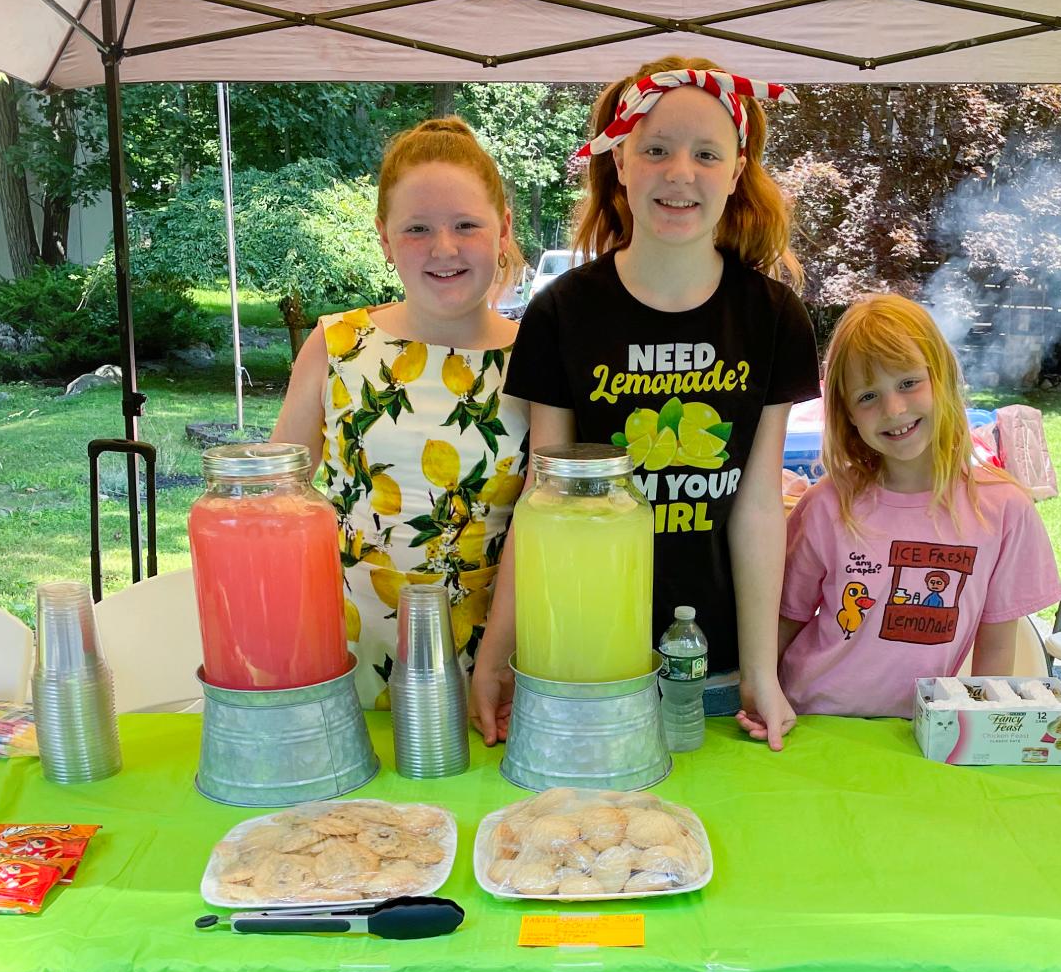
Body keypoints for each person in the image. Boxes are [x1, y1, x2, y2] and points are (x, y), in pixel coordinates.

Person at [471, 57, 820, 751]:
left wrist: (760, 668)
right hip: (585, 664)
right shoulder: (561, 313)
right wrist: (497, 652)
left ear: (736, 168)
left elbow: (757, 507)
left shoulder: (775, 317)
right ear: (619, 164)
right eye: (654, 149)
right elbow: (541, 503)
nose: (678, 172)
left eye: (705, 153)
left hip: (714, 671)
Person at [273, 117, 527, 705]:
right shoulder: (335, 344)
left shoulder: (538, 359)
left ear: (503, 229)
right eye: (418, 229)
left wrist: (503, 663)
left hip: (491, 674)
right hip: (342, 662)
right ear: (385, 239)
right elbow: (276, 506)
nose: (444, 248)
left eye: (466, 225)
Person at [770, 295, 1061, 723]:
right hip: (811, 720)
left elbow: (996, 648)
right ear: (846, 413)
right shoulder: (825, 506)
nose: (894, 410)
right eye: (868, 395)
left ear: (940, 377)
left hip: (923, 731)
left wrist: (979, 735)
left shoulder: (1005, 510)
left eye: (908, 383)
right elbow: (784, 623)